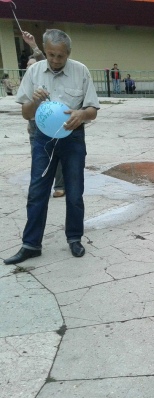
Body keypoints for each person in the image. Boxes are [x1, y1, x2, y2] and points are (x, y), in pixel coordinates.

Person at [4, 29, 100, 266]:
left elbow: (92, 110)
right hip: (42, 139)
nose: (55, 60)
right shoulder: (34, 71)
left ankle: (74, 238)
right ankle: (31, 245)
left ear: (68, 53)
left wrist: (81, 114)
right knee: (37, 190)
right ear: (45, 51)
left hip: (72, 138)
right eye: (51, 55)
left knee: (74, 192)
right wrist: (35, 101)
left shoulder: (81, 71)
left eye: (60, 56)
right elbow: (25, 113)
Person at [24, 32, 65, 198]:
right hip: (34, 123)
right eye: (28, 65)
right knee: (38, 157)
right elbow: (25, 108)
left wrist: (33, 45)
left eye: (32, 64)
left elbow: (44, 59)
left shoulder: (46, 74)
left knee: (57, 154)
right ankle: (41, 187)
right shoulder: (29, 80)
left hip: (51, 121)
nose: (30, 67)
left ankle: (60, 185)